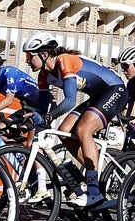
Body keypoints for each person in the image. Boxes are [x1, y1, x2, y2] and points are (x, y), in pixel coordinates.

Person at [24, 32, 127, 209]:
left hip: (114, 90)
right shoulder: (43, 75)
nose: (27, 60)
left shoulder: (64, 60)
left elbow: (70, 101)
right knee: (65, 131)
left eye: (29, 56)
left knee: (83, 130)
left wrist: (49, 117)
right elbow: (42, 108)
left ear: (43, 53)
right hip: (97, 96)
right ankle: (91, 175)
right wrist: (32, 117)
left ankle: (94, 190)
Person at [0, 45, 51, 123]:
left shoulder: (9, 73)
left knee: (7, 127)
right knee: (3, 127)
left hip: (44, 106)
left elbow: (8, 101)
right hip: (28, 107)